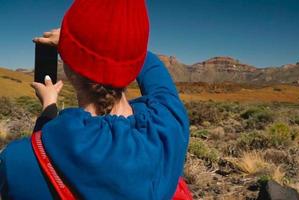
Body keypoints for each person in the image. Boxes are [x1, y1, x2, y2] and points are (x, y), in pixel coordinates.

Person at [0, 0, 191, 199]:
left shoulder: (17, 162)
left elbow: (43, 155)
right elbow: (154, 70)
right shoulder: (171, 124)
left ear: (68, 65)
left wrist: (48, 108)